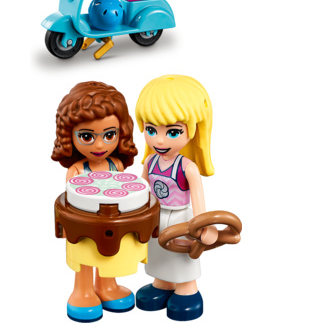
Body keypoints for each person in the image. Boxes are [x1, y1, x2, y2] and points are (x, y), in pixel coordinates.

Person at [52, 81, 140, 322]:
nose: (100, 145)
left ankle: (107, 286)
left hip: (111, 222)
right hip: (84, 224)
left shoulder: (116, 165)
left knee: (109, 256)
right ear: (69, 136)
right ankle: (82, 291)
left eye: (109, 135)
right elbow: (73, 199)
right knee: (85, 257)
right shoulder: (77, 170)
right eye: (87, 137)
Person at [134, 75, 216, 321]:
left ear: (192, 130)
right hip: (156, 216)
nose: (159, 140)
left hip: (181, 217)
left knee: (181, 254)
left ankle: (187, 289)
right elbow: (141, 188)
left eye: (172, 132)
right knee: (158, 253)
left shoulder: (187, 167)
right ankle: (162, 283)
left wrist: (205, 226)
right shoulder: (150, 162)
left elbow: (199, 201)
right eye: (151, 130)